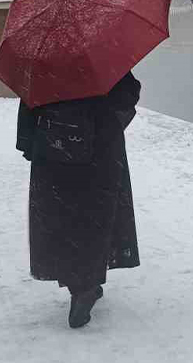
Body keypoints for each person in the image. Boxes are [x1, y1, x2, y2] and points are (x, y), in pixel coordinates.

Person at [15, 72, 141, 329]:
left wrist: (29, 142)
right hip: (100, 152)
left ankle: (80, 284)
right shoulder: (101, 56)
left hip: (54, 151)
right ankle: (87, 284)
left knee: (62, 219)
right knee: (96, 218)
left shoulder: (44, 61)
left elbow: (29, 102)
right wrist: (106, 120)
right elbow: (128, 94)